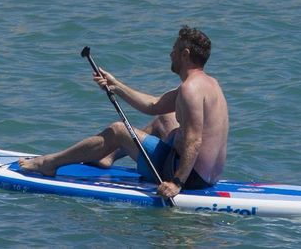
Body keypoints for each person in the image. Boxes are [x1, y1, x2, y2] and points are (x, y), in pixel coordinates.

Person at [18, 27, 228, 202]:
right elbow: (154, 105)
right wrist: (115, 85)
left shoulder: (189, 90)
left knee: (118, 130)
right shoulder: (208, 84)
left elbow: (194, 141)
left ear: (186, 54)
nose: (170, 54)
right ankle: (109, 156)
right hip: (209, 176)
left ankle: (49, 164)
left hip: (188, 177)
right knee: (166, 118)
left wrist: (176, 183)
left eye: (174, 50)